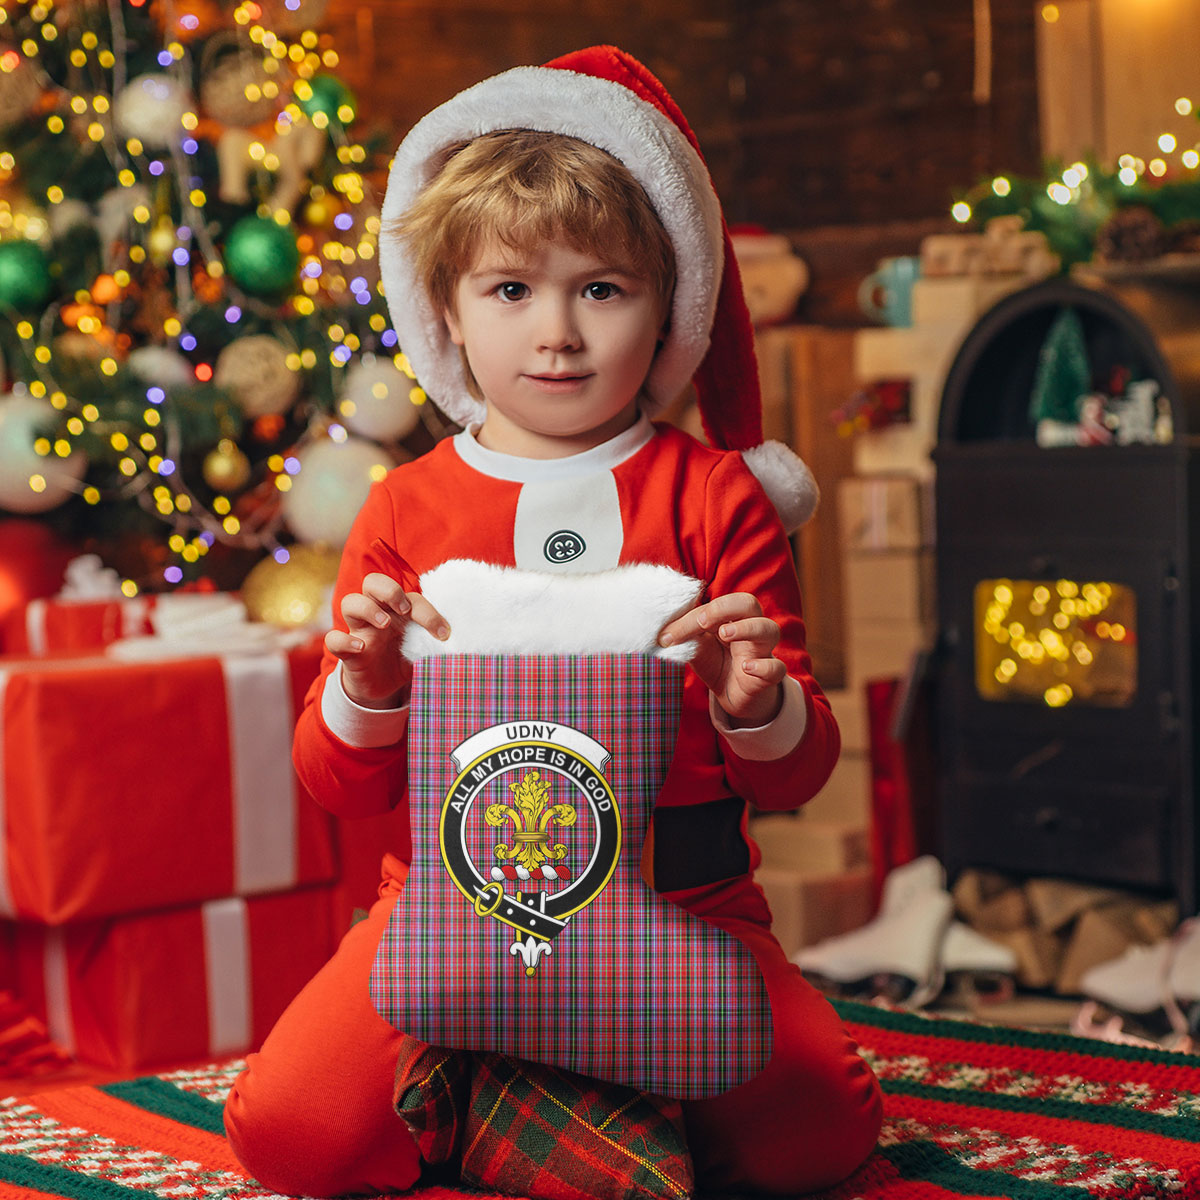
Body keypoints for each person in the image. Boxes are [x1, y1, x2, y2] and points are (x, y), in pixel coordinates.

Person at [224, 45, 882, 1197]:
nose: (558, 334)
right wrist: (369, 687)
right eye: (512, 289)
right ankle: (540, 1083)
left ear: (665, 303)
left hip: (687, 905)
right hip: (446, 906)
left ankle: (530, 1084)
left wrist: (760, 705)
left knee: (817, 1137)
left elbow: (796, 780)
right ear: (447, 310)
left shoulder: (716, 496)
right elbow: (339, 785)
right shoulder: (407, 503)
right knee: (293, 1136)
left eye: (602, 288)